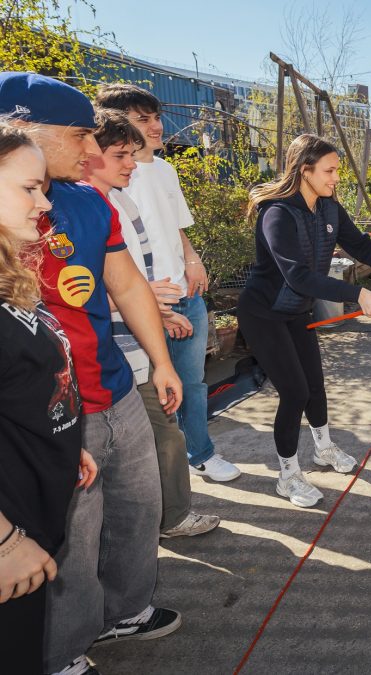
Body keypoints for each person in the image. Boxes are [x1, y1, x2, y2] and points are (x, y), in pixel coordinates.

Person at [0, 72, 183, 675]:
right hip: (41, 414)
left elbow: (125, 282)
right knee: (68, 543)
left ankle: (125, 611)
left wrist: (159, 361)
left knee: (136, 509)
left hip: (110, 391)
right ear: (22, 127)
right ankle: (59, 651)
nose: (92, 149)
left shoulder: (81, 201)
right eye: (79, 134)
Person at [240, 133, 371, 507]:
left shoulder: (329, 209)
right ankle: (288, 475)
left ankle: (323, 449)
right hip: (264, 314)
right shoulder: (277, 213)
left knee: (315, 386)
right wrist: (357, 293)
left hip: (297, 311)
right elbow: (298, 276)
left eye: (337, 170)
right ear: (305, 170)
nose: (336, 177)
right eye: (330, 170)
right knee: (294, 392)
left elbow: (362, 246)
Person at [95, 83, 242, 483]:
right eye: (143, 119)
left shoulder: (164, 169)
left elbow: (176, 226)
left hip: (183, 293)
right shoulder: (104, 180)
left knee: (191, 383)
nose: (157, 126)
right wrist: (137, 299)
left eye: (156, 117)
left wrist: (192, 261)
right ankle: (161, 475)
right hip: (136, 307)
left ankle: (201, 452)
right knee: (144, 392)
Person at [85, 109, 219, 539]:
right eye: (122, 153)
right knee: (154, 440)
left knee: (160, 431)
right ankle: (166, 520)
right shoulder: (84, 206)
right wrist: (149, 307)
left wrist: (152, 310)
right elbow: (93, 287)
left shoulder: (119, 199)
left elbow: (127, 280)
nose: (131, 163)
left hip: (137, 340)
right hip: (115, 349)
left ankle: (163, 518)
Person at [0, 122, 98, 674]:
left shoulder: (8, 274)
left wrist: (62, 437)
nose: (43, 203)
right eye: (29, 188)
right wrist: (5, 543)